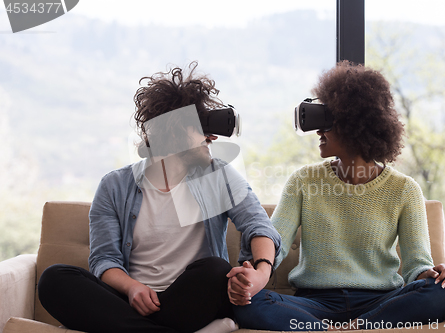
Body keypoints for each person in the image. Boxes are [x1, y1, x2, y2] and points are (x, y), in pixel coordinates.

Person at [38, 62, 281, 333]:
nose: (211, 137)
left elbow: (259, 226)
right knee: (54, 279)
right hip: (131, 301)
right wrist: (132, 288)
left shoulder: (217, 175)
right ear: (173, 134)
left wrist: (260, 275)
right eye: (200, 128)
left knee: (215, 270)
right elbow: (104, 260)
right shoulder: (115, 185)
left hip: (191, 300)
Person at [229, 61, 445, 331]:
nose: (318, 131)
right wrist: (254, 274)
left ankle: (355, 327)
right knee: (245, 302)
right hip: (314, 303)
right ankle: (333, 330)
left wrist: (434, 276)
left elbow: (417, 265)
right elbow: (275, 241)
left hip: (380, 301)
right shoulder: (304, 180)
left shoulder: (404, 189)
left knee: (441, 292)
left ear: (354, 124)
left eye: (326, 122)